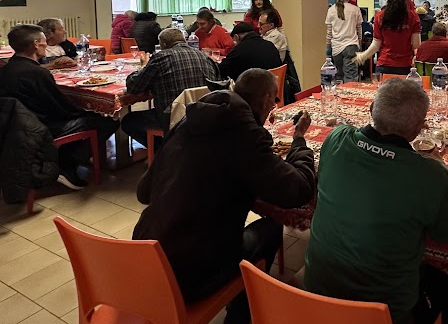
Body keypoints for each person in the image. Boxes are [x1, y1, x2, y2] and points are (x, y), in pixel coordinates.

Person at [133, 70, 316, 324]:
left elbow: (144, 191)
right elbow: (297, 190)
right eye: (274, 100)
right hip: (189, 272)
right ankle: (239, 318)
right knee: (273, 230)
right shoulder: (244, 133)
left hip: (144, 256)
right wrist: (299, 142)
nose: (273, 106)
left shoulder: (190, 120)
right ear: (265, 100)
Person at [305, 79, 448, 324]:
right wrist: (443, 172)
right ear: (418, 128)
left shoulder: (336, 139)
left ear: (371, 108)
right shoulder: (429, 175)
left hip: (315, 292)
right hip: (382, 313)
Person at [0, 24, 118, 190]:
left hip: (18, 127)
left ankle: (80, 156)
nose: (46, 45)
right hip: (43, 127)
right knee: (107, 121)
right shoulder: (37, 74)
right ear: (35, 44)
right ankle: (66, 164)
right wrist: (86, 110)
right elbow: (60, 109)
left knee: (93, 117)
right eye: (43, 41)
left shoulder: (8, 68)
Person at [123, 28, 220, 150]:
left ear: (163, 44)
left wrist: (143, 67)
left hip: (173, 118)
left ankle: (163, 151)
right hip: (205, 116)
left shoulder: (161, 57)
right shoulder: (206, 57)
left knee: (129, 121)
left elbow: (134, 87)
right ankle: (175, 149)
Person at [355, 0, 421, 75]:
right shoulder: (413, 17)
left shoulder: (380, 16)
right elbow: (416, 44)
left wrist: (363, 55)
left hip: (384, 65)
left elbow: (376, 44)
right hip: (405, 65)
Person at [325, 0, 363, 82]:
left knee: (338, 78)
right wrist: (359, 42)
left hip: (336, 48)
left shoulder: (331, 10)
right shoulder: (355, 9)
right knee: (351, 78)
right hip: (351, 46)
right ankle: (350, 97)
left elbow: (329, 32)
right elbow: (359, 29)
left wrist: (328, 46)